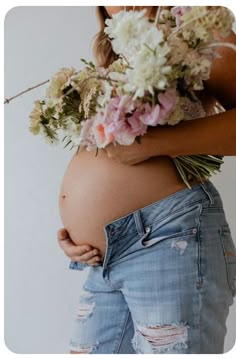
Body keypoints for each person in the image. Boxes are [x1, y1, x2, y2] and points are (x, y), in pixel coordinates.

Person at [57, 6, 236, 354]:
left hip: (170, 238)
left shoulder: (201, 28)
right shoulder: (115, 51)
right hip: (102, 258)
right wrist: (81, 229)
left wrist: (155, 145)